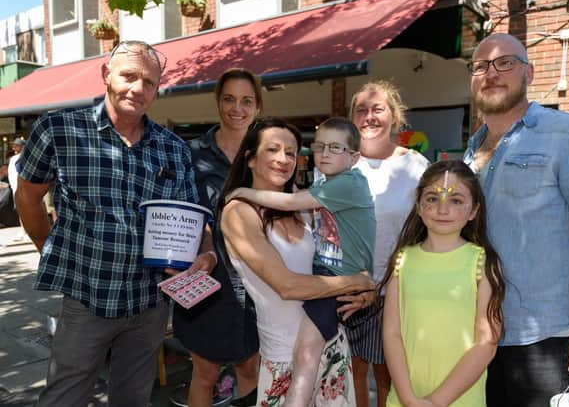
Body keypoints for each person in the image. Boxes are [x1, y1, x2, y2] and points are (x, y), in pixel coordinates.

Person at [14, 40, 206, 407]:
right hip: (88, 298)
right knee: (64, 398)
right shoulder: (59, 129)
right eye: (129, 76)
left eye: (149, 82)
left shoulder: (173, 148)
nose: (138, 88)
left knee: (133, 399)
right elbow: (27, 198)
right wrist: (51, 250)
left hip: (150, 303)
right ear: (106, 75)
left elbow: (191, 216)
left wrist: (205, 255)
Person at [464, 33, 569, 406]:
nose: (492, 73)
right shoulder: (473, 148)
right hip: (477, 336)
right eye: (480, 66)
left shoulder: (568, 134)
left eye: (505, 63)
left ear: (529, 73)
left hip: (541, 342)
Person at [221, 118, 375, 406]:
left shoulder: (302, 207)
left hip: (331, 342)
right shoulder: (239, 211)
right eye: (273, 150)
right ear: (250, 158)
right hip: (285, 357)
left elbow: (338, 258)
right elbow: (288, 286)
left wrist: (365, 292)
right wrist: (358, 281)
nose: (283, 159)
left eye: (291, 152)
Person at [171, 67, 263, 407]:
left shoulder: (265, 156)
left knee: (251, 366)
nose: (237, 108)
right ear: (217, 102)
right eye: (229, 99)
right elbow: (183, 216)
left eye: (246, 101)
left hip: (257, 280)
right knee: (205, 372)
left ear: (257, 108)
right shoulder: (191, 154)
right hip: (206, 278)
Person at [380, 160, 504, 407]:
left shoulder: (482, 262)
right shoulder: (403, 260)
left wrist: (436, 402)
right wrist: (408, 398)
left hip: (459, 400)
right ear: (418, 206)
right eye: (432, 199)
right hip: (405, 398)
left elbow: (487, 342)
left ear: (473, 211)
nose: (442, 209)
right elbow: (391, 334)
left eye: (456, 200)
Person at [347, 80, 429, 407]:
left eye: (377, 109)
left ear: (394, 117)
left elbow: (424, 234)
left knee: (387, 375)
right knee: (351, 370)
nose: (369, 117)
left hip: (395, 290)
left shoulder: (416, 167)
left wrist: (383, 281)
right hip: (347, 287)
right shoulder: (338, 164)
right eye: (361, 110)